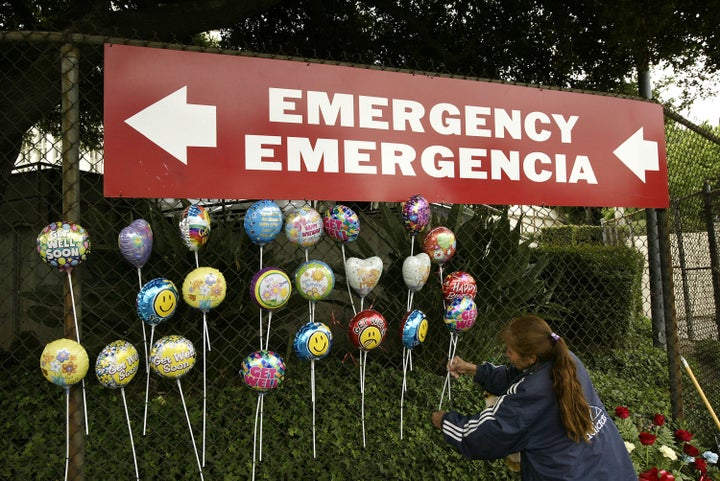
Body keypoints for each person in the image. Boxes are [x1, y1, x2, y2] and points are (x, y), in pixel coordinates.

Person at [431, 314, 636, 481]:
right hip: (612, 467)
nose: (507, 354)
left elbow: (488, 434)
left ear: (531, 358)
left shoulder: (530, 396)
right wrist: (474, 370)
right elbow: (518, 377)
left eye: (510, 351)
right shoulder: (567, 362)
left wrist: (446, 421)